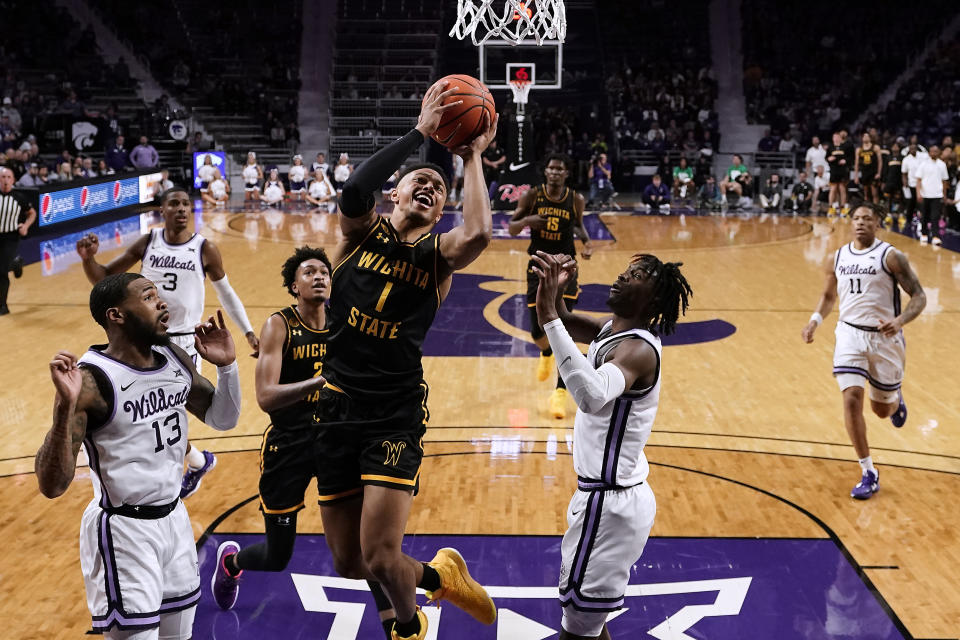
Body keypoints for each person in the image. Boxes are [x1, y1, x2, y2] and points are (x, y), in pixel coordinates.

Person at [301, 81, 499, 640]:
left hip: (393, 412)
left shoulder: (438, 259)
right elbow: (355, 190)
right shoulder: (357, 237)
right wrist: (420, 132)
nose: (430, 187)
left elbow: (480, 231)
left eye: (439, 189)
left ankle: (409, 628)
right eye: (420, 179)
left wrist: (471, 156)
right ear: (396, 194)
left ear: (441, 212)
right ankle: (440, 575)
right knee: (349, 563)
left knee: (383, 558)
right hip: (337, 408)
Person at [35, 273, 242, 639]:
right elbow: (52, 485)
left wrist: (227, 367)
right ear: (116, 315)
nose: (162, 302)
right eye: (148, 297)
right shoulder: (90, 382)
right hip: (123, 531)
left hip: (175, 520)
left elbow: (222, 418)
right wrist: (64, 410)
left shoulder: (173, 358)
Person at [530, 250, 691, 640]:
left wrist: (552, 315)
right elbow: (558, 323)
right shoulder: (611, 331)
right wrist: (552, 294)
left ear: (651, 301)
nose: (622, 276)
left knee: (576, 630)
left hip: (612, 505)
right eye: (627, 270)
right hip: (603, 498)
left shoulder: (638, 350)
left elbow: (590, 395)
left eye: (636, 276)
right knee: (587, 624)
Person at [75, 187, 260, 498]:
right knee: (155, 413)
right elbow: (104, 278)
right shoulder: (149, 242)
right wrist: (88, 260)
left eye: (186, 204)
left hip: (185, 343)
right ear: (162, 209)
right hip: (143, 339)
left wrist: (248, 331)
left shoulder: (204, 248)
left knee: (164, 410)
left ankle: (186, 469)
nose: (181, 209)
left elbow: (227, 294)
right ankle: (194, 464)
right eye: (174, 203)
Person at [801, 202, 926, 499]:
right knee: (851, 400)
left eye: (867, 219)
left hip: (885, 340)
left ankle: (895, 399)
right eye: (856, 218)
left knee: (881, 411)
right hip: (849, 336)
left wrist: (900, 320)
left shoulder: (892, 257)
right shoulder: (837, 257)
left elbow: (919, 296)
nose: (860, 223)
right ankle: (868, 471)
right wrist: (814, 321)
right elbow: (829, 296)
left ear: (878, 224)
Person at [508, 153, 593, 419]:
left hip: (566, 267)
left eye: (560, 169)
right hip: (538, 266)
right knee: (537, 330)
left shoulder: (575, 199)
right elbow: (511, 228)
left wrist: (587, 242)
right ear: (545, 172)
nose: (555, 173)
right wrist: (525, 222)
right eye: (551, 169)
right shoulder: (532, 197)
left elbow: (578, 226)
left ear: (566, 174)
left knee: (564, 329)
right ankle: (545, 350)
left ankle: (559, 392)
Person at [0, 167, 36, 316]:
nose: (6, 180)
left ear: (13, 180)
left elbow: (32, 213)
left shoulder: (19, 197)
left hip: (11, 236)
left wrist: (26, 226)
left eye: (9, 177)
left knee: (1, 271)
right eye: (3, 177)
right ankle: (16, 262)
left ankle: (3, 305)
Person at [915, 145, 949, 246]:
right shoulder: (923, 164)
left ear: (938, 153)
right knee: (924, 215)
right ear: (929, 153)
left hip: (937, 195)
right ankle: (924, 234)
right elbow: (918, 180)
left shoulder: (942, 165)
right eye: (932, 151)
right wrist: (918, 193)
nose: (934, 153)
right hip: (925, 194)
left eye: (936, 151)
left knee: (935, 216)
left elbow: (944, 181)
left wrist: (944, 195)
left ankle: (935, 236)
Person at [826, 132, 850, 216]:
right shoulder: (830, 147)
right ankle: (830, 208)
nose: (836, 138)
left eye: (837, 137)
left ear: (840, 138)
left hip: (842, 171)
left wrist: (845, 161)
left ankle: (843, 208)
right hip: (834, 170)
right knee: (833, 189)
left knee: (842, 188)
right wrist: (829, 158)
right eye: (834, 137)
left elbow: (849, 157)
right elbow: (827, 157)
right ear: (832, 139)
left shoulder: (845, 147)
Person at [855, 133, 881, 204]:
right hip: (864, 173)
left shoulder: (875, 147)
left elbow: (880, 161)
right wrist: (856, 176)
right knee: (866, 193)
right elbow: (856, 163)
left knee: (874, 193)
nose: (865, 138)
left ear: (870, 138)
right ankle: (867, 209)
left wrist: (879, 173)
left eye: (867, 136)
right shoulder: (859, 149)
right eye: (864, 136)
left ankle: (876, 210)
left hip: (873, 172)